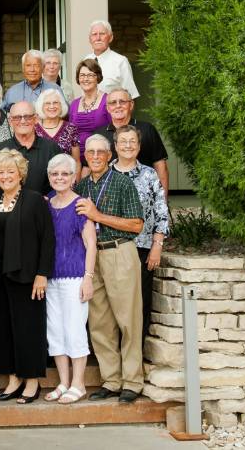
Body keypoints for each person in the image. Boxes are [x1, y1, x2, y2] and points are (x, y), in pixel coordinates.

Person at [74, 134, 144, 404]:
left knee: (128, 320)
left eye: (99, 152)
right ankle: (111, 379)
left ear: (108, 155)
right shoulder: (81, 186)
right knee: (100, 322)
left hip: (119, 252)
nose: (94, 157)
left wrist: (98, 216)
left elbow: (137, 225)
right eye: (89, 152)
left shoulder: (123, 183)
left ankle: (133, 382)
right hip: (93, 258)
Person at [0, 149, 54, 404]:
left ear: (21, 174)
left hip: (27, 276)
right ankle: (13, 379)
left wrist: (42, 274)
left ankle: (32, 381)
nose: (5, 176)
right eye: (1, 172)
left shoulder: (34, 200)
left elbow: (47, 239)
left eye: (10, 172)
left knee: (28, 328)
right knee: (3, 329)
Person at [42, 154, 96, 404]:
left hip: (75, 277)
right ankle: (64, 382)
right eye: (55, 174)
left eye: (65, 174)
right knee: (55, 331)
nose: (59, 178)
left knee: (75, 330)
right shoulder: (47, 204)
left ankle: (79, 384)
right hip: (51, 277)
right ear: (49, 177)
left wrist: (88, 278)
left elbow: (91, 244)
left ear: (74, 177)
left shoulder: (81, 205)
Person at [110, 125, 169, 339]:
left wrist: (157, 245)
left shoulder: (149, 174)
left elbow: (161, 212)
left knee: (140, 305)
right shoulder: (106, 174)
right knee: (112, 304)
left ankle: (137, 358)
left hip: (141, 249)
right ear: (115, 146)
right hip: (111, 250)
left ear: (139, 145)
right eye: (123, 141)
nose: (128, 145)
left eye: (132, 141)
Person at [0, 101, 63, 204]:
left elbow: (62, 182)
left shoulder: (51, 148)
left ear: (36, 119)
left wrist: (51, 199)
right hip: (8, 213)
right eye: (17, 117)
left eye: (27, 116)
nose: (22, 121)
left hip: (44, 210)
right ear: (10, 121)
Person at [94, 88, 169, 197]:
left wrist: (163, 200)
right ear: (107, 108)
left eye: (122, 101)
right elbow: (89, 167)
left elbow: (160, 166)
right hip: (109, 196)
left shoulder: (147, 129)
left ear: (131, 105)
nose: (118, 105)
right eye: (113, 102)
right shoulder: (99, 135)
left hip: (143, 195)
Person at [69, 59, 111, 170]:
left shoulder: (108, 100)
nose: (85, 79)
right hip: (77, 162)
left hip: (100, 160)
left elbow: (114, 131)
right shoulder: (74, 104)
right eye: (82, 75)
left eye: (90, 75)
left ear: (98, 77)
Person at [84, 20, 141, 99]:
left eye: (102, 34)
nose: (98, 38)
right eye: (94, 34)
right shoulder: (85, 61)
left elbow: (130, 96)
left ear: (110, 38)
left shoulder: (121, 61)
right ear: (90, 39)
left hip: (112, 110)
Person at [34, 88, 81, 176]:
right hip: (39, 182)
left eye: (55, 102)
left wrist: (75, 186)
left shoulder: (71, 128)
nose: (52, 106)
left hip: (65, 181)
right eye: (47, 103)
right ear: (41, 107)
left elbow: (76, 162)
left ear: (61, 105)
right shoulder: (33, 129)